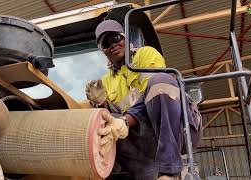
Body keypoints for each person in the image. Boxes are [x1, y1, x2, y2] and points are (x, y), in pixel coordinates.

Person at [86, 20, 201, 180]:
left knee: (160, 82)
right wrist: (100, 104)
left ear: (125, 37)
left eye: (116, 38)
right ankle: (145, 175)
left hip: (176, 128)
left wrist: (125, 121)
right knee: (104, 125)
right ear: (102, 50)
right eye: (106, 43)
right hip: (142, 141)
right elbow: (114, 122)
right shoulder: (105, 81)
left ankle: (169, 172)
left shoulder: (145, 55)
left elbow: (155, 94)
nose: (112, 44)